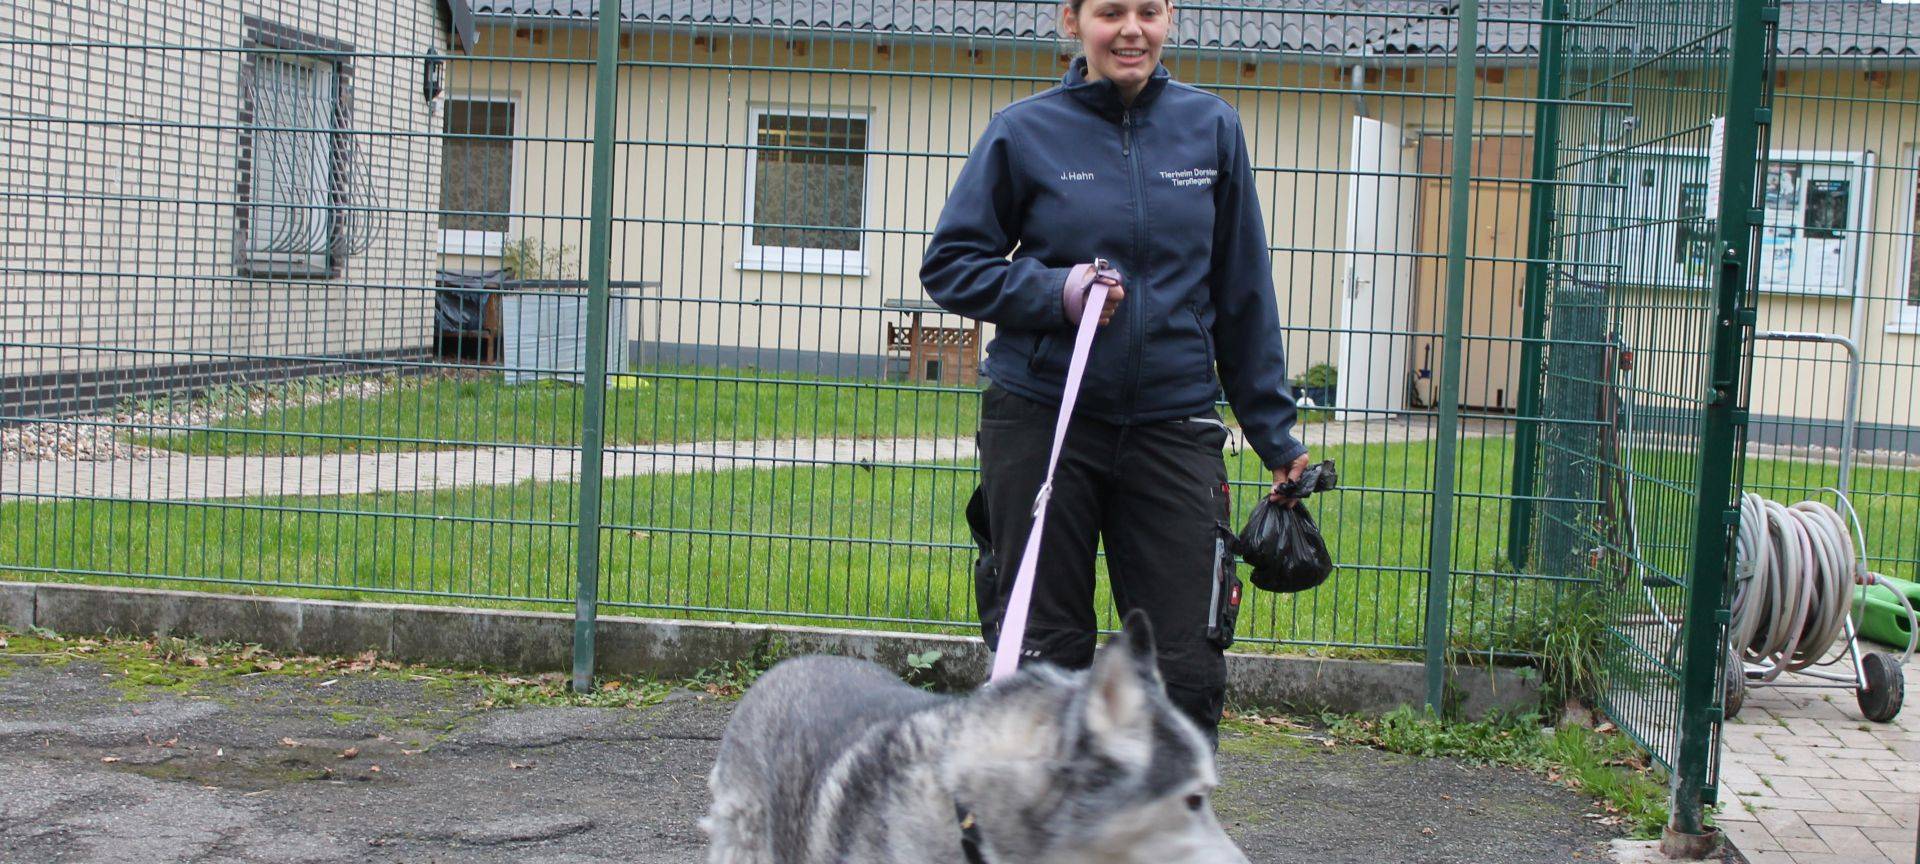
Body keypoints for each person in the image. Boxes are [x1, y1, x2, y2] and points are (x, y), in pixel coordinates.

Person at [919, 0, 1311, 742]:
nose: (1131, 29)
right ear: (1072, 22)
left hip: (1173, 424)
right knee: (1044, 659)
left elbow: (1243, 291)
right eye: (1109, 12)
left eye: (1148, 10)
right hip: (1043, 422)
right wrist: (1053, 292)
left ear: (1169, 18)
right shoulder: (1023, 132)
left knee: (1185, 672)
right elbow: (951, 265)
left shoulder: (1211, 129)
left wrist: (1276, 436)